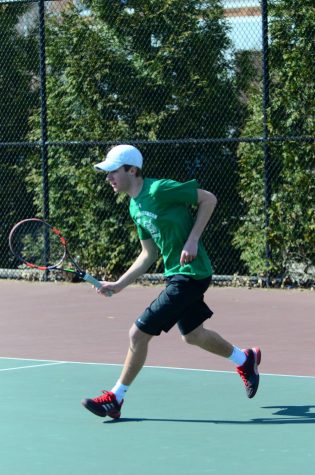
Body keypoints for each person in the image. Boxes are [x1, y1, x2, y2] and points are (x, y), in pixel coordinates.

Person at [81, 144, 261, 419]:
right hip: (176, 274)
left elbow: (209, 199)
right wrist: (118, 285)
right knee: (193, 335)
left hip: (191, 273)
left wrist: (193, 238)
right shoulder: (134, 206)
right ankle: (244, 359)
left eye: (113, 172)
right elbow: (148, 254)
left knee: (137, 333)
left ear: (132, 170)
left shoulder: (159, 190)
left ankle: (116, 398)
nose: (109, 178)